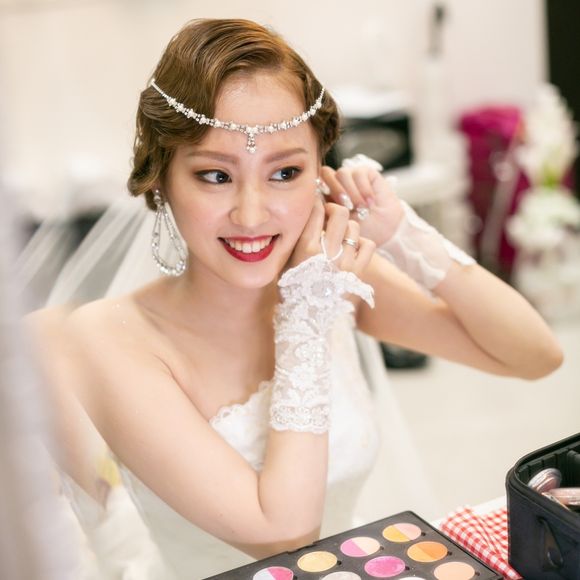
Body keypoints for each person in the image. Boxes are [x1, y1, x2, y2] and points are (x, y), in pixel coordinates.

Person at [28, 18, 563, 579]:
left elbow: (533, 355)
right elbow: (284, 535)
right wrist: (305, 314)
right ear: (161, 179)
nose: (252, 213)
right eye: (215, 176)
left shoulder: (323, 277)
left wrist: (404, 234)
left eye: (284, 172)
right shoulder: (107, 340)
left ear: (319, 175)